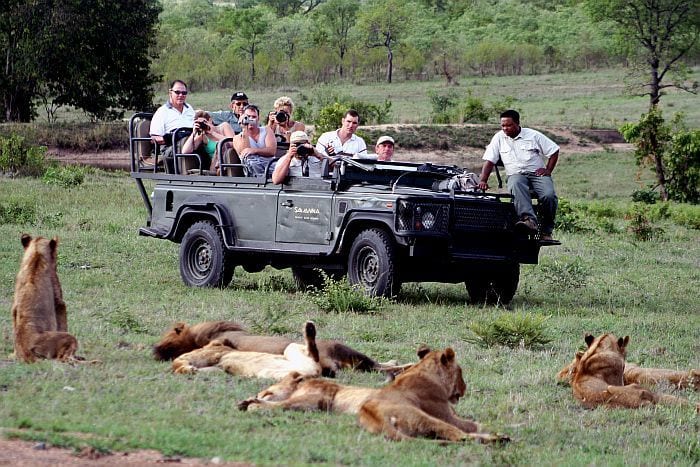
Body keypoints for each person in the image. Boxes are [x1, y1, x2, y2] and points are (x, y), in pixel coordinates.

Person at [478, 109, 560, 242]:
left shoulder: (533, 135)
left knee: (549, 196)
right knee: (516, 184)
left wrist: (548, 170)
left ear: (517, 123)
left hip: (536, 173)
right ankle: (529, 221)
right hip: (516, 174)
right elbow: (489, 160)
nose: (505, 128)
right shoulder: (498, 137)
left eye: (508, 125)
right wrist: (483, 180)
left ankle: (546, 231)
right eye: (503, 125)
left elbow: (554, 150)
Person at [149, 80, 195, 172]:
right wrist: (172, 137)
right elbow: (153, 139)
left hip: (192, 142)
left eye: (184, 93)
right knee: (184, 142)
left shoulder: (189, 109)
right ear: (170, 92)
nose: (181, 95)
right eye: (177, 92)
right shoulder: (162, 112)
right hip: (170, 147)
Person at [232, 104, 277, 177]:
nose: (251, 119)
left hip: (270, 164)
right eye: (248, 117)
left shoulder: (266, 130)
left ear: (258, 118)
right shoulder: (237, 138)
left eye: (254, 117)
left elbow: (272, 151)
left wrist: (254, 150)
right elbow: (245, 154)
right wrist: (244, 128)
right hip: (253, 169)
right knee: (252, 163)